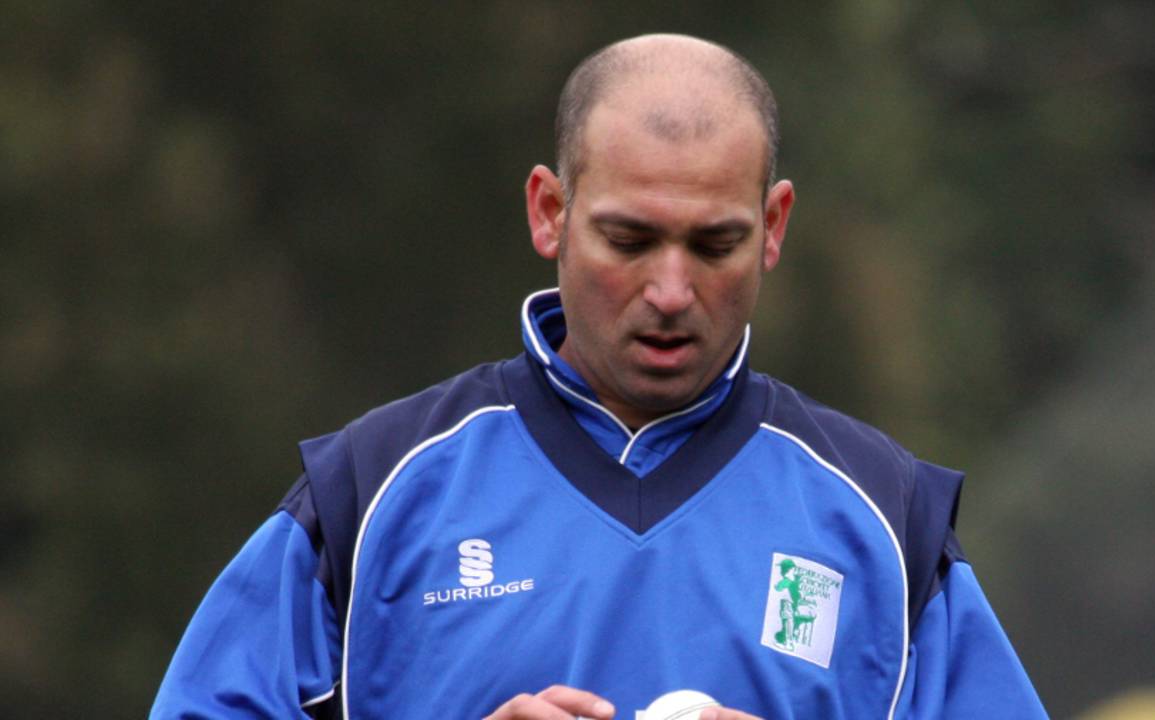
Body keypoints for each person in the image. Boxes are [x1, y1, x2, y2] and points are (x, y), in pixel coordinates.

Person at [151, 33, 1046, 719]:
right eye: (628, 239)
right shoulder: (370, 493)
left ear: (774, 226)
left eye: (715, 244)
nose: (669, 290)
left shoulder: (883, 520)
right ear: (551, 211)